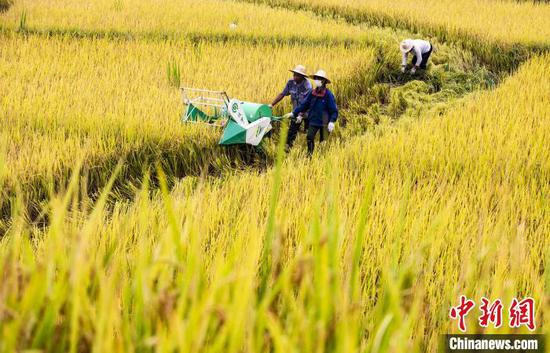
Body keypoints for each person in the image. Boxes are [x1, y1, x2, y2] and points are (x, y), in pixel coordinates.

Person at [283, 70, 338, 156]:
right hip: (314, 120)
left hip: (325, 122)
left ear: (323, 81)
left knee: (323, 142)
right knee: (309, 137)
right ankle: (310, 155)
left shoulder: (328, 95)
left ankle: (322, 157)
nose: (316, 80)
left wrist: (332, 121)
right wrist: (294, 113)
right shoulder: (313, 93)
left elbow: (334, 110)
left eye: (318, 79)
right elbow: (304, 104)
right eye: (315, 78)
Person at [270, 65, 312, 149]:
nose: (294, 77)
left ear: (302, 77)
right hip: (296, 110)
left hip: (308, 111)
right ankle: (288, 146)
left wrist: (301, 115)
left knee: (308, 129)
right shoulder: (290, 83)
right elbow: (282, 94)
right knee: (292, 129)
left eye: (297, 75)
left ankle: (307, 143)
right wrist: (271, 104)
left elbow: (307, 103)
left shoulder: (308, 86)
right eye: (294, 74)